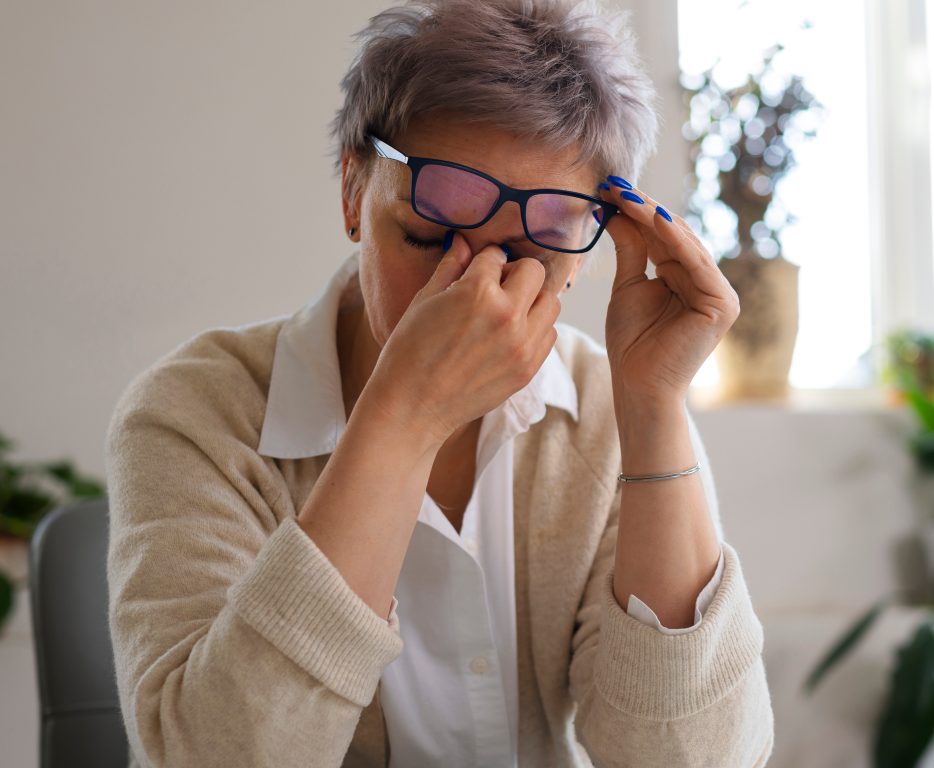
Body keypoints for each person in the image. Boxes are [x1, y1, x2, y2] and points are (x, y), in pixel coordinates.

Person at [105, 0, 773, 766]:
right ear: (354, 192)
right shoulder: (194, 415)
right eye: (428, 234)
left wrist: (654, 411)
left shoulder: (606, 410)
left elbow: (690, 760)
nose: (472, 291)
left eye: (530, 251)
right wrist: (405, 418)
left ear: (584, 248)